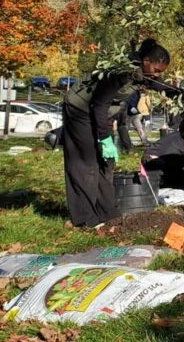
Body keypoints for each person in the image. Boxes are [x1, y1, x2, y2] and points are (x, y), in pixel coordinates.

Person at [62, 39, 171, 227]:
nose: (158, 74)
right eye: (158, 70)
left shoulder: (143, 73)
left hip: (99, 112)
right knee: (86, 164)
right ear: (146, 61)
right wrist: (105, 138)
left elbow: (162, 87)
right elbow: (99, 104)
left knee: (106, 164)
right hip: (80, 110)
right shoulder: (121, 72)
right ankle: (85, 219)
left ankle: (107, 213)